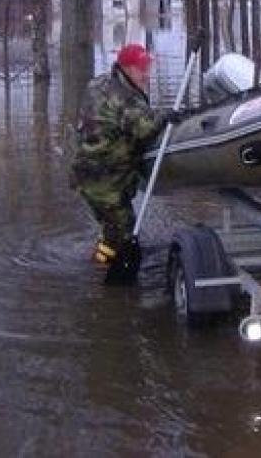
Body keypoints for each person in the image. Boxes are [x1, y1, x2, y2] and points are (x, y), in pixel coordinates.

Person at [71, 43, 181, 285]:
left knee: (112, 229)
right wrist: (165, 115)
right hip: (104, 181)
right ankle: (103, 278)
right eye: (142, 69)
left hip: (87, 174)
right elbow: (144, 130)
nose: (147, 75)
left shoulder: (98, 84)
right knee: (123, 233)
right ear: (127, 69)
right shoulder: (125, 98)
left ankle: (101, 264)